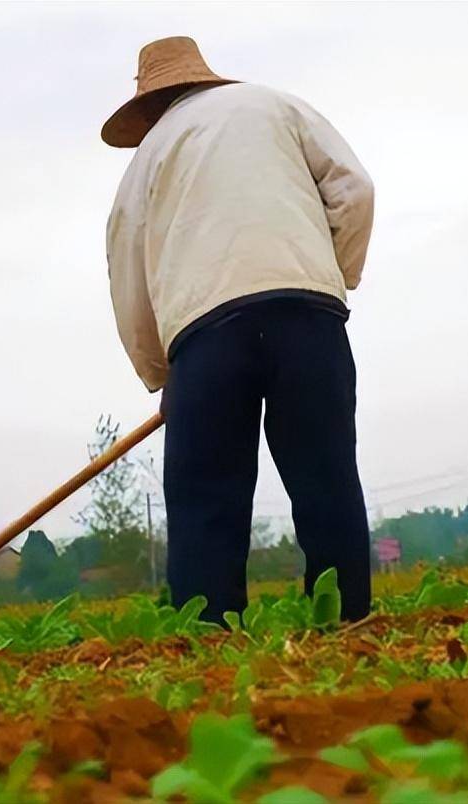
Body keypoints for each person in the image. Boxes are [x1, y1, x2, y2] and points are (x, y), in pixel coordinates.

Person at [102, 36, 375, 623]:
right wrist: (334, 274)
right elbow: (355, 190)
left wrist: (160, 373)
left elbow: (128, 270)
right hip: (307, 312)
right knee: (326, 477)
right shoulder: (277, 106)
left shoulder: (147, 159)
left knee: (205, 502)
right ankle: (349, 625)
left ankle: (208, 642)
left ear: (149, 107)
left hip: (206, 334)